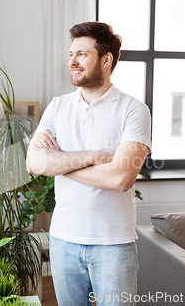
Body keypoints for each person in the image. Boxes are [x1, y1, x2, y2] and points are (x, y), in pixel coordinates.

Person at [26, 21, 152, 306]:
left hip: (113, 245)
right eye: (71, 54)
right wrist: (95, 157)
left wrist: (59, 163)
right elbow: (33, 162)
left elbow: (120, 178)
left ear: (106, 60)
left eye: (82, 54)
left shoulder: (134, 110)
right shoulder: (58, 106)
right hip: (63, 240)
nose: (72, 61)